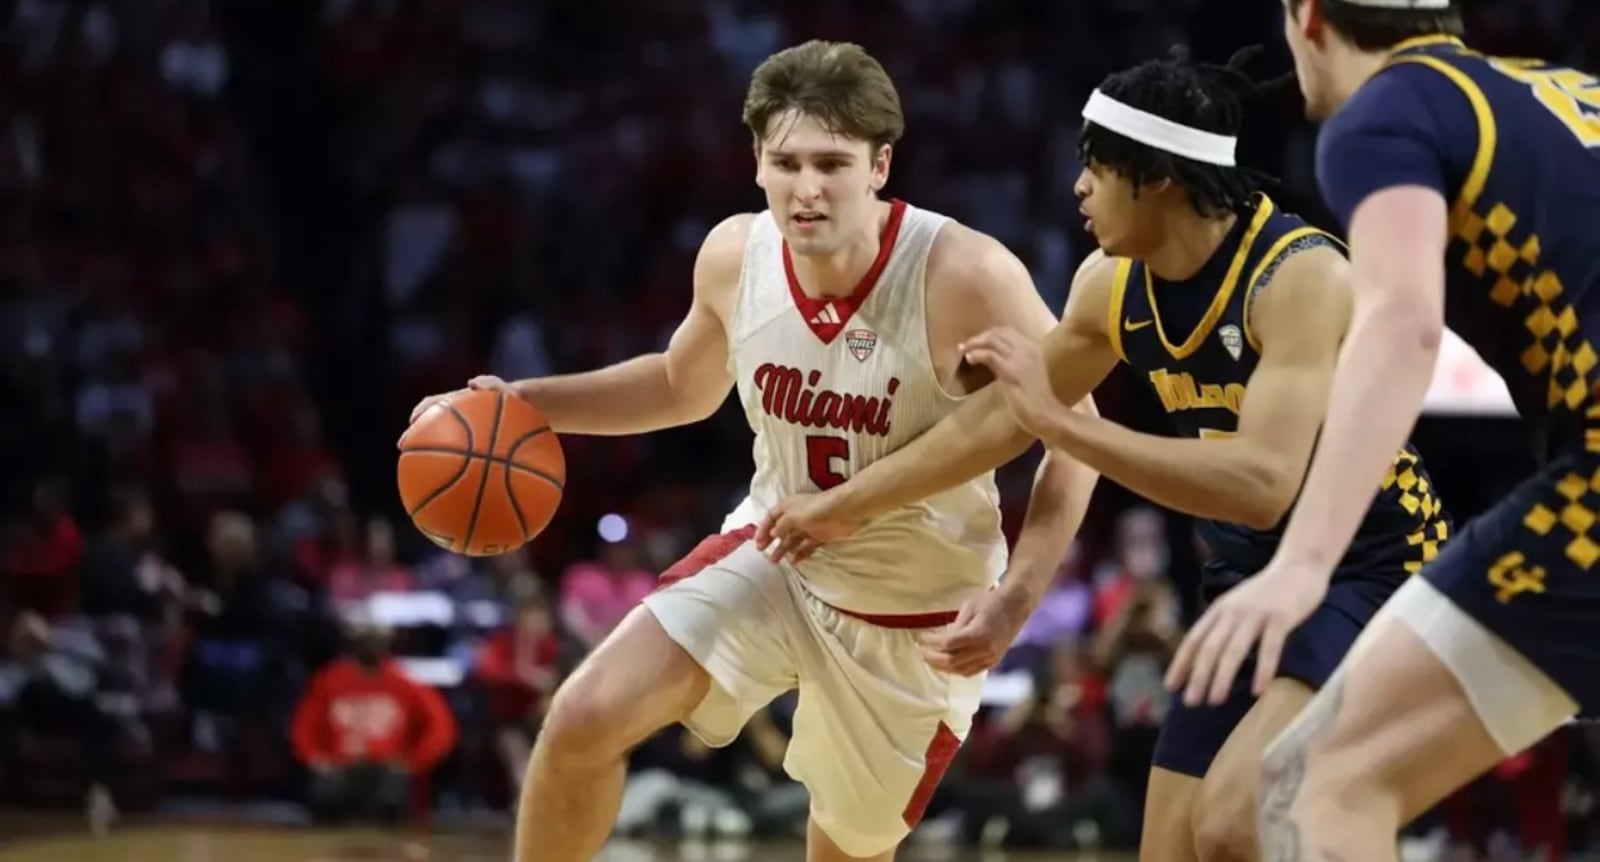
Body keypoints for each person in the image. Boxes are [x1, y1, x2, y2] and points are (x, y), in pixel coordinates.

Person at [403, 39, 1100, 861]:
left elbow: (1076, 434)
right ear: (757, 165)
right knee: (584, 717)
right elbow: (677, 386)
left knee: (843, 848)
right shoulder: (736, 254)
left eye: (832, 163)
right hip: (777, 555)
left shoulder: (966, 274)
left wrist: (1019, 594)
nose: (807, 188)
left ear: (880, 166)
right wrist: (521, 404)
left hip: (916, 613)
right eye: (787, 162)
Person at [757, 48, 1451, 861]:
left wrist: (1065, 424)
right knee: (1171, 848)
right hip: (1244, 584)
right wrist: (843, 508)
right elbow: (991, 428)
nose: (1078, 187)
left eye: (1095, 167)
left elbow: (1263, 484)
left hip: (1370, 569)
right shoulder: (1109, 284)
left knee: (1239, 822)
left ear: (1155, 177)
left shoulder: (1299, 279)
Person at [1155, 2, 1600, 859]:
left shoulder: (1387, 111)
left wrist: (1305, 563)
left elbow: (1401, 323)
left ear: (1307, 18)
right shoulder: (1568, 89)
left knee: (1315, 785)